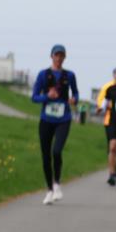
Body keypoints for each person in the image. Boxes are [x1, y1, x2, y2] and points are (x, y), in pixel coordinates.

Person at [31, 44, 79, 205]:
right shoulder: (43, 75)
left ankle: (57, 183)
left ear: (64, 58)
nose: (58, 58)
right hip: (46, 119)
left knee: (56, 151)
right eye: (56, 55)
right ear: (51, 56)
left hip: (63, 119)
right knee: (45, 155)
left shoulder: (70, 75)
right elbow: (34, 97)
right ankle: (49, 190)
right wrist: (47, 96)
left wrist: (74, 100)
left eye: (61, 56)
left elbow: (76, 93)